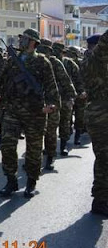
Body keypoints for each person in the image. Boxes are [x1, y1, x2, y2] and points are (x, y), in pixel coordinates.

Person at [0, 29, 59, 198]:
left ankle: (31, 182)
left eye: (24, 39)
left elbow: (51, 87)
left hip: (35, 112)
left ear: (33, 42)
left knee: (34, 149)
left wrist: (52, 105)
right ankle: (11, 180)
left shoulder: (43, 62)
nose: (21, 41)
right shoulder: (12, 61)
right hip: (12, 109)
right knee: (7, 145)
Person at [37, 39, 76, 170]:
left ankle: (51, 156)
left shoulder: (56, 63)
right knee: (36, 131)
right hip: (35, 102)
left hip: (53, 100)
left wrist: (72, 96)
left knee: (51, 130)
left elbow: (66, 80)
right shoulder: (33, 61)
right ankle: (34, 159)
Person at [80, 32, 108, 216]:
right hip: (100, 115)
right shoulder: (93, 60)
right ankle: (100, 200)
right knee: (105, 158)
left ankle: (101, 197)